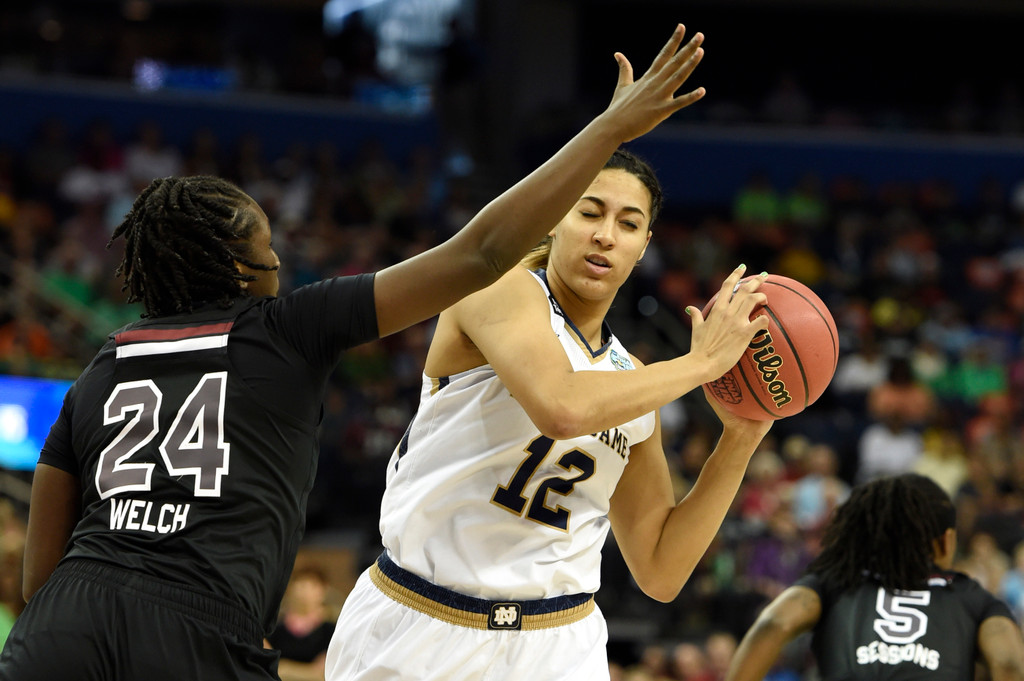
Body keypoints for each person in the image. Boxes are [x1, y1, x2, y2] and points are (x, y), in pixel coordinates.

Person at [0, 23, 713, 680]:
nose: (281, 257)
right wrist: (609, 129)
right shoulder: (285, 324)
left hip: (65, 620)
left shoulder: (102, 363)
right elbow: (484, 253)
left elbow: (39, 576)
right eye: (267, 244)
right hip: (211, 621)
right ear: (242, 270)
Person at [325, 42, 775, 681]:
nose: (604, 234)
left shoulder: (631, 379)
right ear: (555, 221)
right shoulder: (498, 289)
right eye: (589, 212)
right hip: (421, 623)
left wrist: (741, 440)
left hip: (558, 642)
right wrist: (701, 366)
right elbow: (561, 406)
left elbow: (661, 569)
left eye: (627, 223)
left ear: (644, 244)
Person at [723, 473, 1024, 681]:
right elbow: (1010, 664)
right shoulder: (972, 597)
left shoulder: (835, 582)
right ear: (945, 541)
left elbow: (773, 623)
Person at [266, 565, 336, 681]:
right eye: (301, 585)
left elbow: (324, 673)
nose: (305, 591)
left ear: (324, 590)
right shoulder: (274, 630)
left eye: (312, 586)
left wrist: (286, 668)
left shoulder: (331, 631)